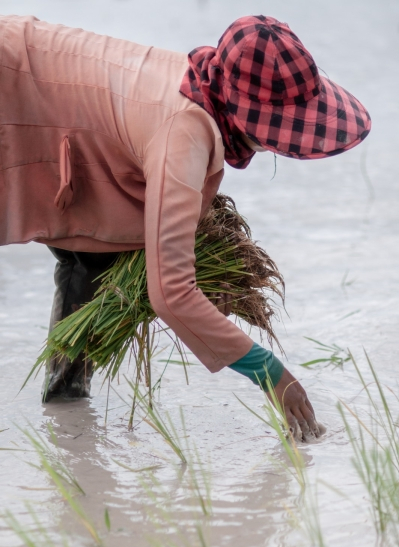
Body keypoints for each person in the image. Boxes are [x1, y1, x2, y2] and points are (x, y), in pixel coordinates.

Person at [0, 14, 371, 441]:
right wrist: (267, 371)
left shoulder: (203, 81)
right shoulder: (184, 134)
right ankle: (65, 400)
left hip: (29, 62)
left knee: (93, 255)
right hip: (14, 82)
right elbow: (171, 293)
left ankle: (65, 410)